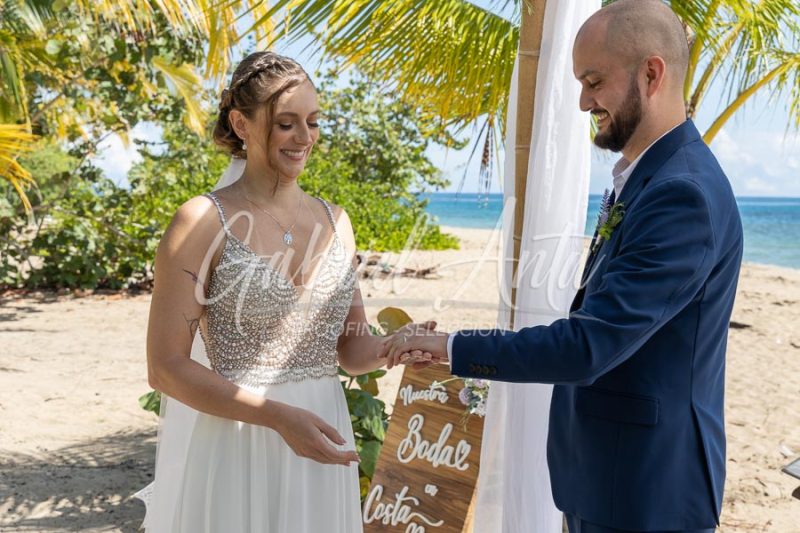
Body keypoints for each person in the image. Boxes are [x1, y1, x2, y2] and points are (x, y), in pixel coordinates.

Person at [381, 1, 743, 532]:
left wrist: (451, 346)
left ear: (652, 73)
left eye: (594, 81)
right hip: (607, 477)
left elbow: (589, 345)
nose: (582, 101)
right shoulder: (650, 179)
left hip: (647, 492)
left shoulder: (681, 194)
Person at [141, 51, 406, 532]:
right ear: (240, 123)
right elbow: (165, 368)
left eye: (313, 121)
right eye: (286, 123)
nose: (304, 137)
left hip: (324, 438)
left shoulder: (336, 222)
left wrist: (397, 347)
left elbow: (351, 351)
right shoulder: (201, 222)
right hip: (240, 441)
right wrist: (278, 418)